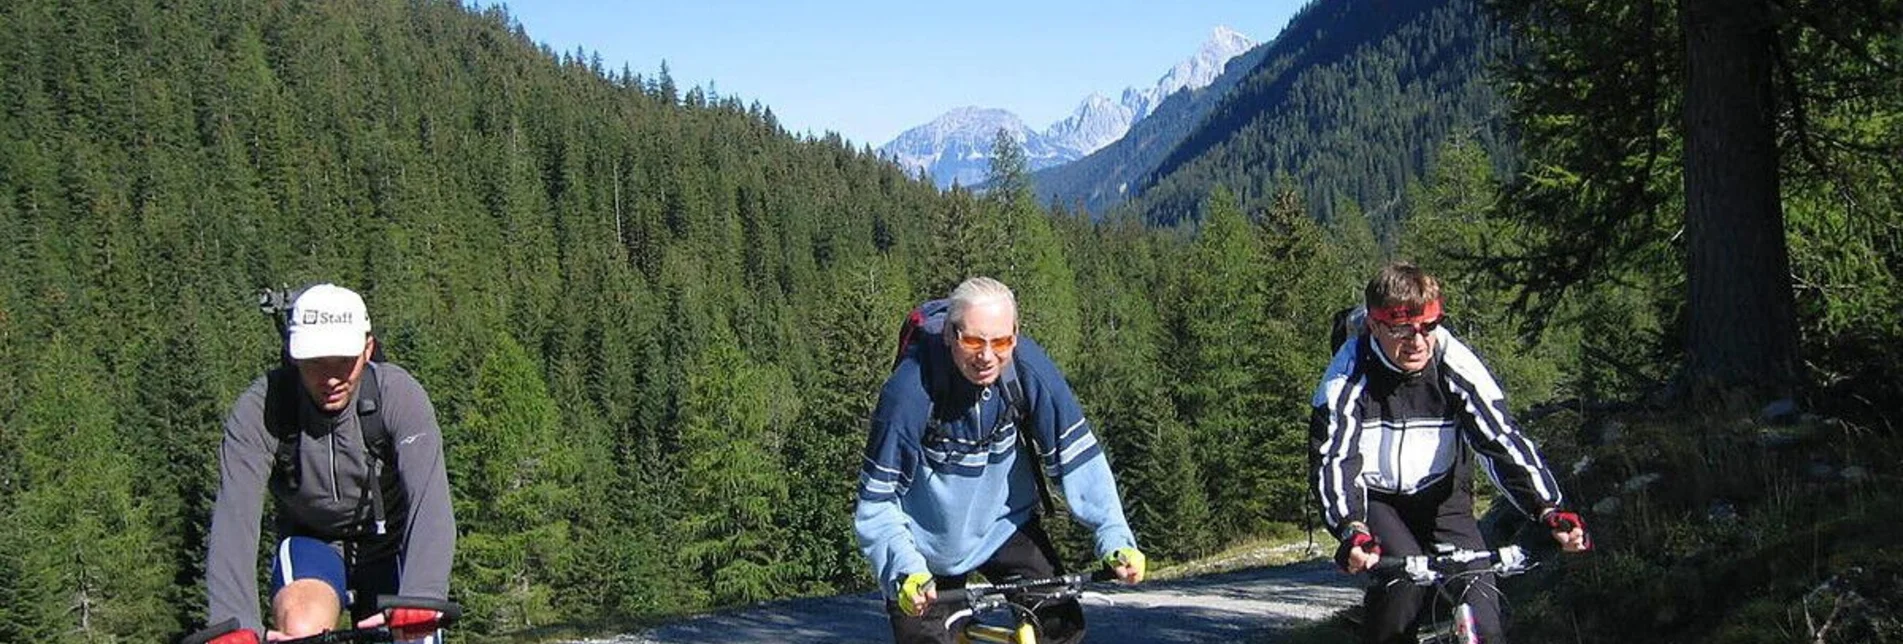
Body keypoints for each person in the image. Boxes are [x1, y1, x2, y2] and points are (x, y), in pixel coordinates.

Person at [1309, 262, 1590, 644]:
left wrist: (1549, 509)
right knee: (1402, 589)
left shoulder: (1454, 363)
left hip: (1444, 498)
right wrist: (1351, 529)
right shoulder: (1346, 377)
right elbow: (1334, 460)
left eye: (1428, 326)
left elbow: (1501, 439)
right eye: (1401, 329)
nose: (1418, 341)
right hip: (1377, 502)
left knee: (1486, 623)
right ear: (1374, 326)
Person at [855, 277, 1146, 644]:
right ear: (949, 334)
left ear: (1016, 334)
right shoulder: (908, 393)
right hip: (923, 548)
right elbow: (876, 505)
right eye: (974, 340)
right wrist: (904, 569)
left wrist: (1115, 537)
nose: (987, 356)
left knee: (1061, 626)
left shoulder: (1028, 370)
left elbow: (1078, 458)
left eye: (1002, 341)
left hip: (1005, 525)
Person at [199, 284, 455, 643]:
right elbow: (234, 517)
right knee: (302, 628)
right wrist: (235, 622)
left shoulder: (400, 396)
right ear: (294, 356)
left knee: (414, 634)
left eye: (343, 361)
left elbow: (430, 503)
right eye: (316, 362)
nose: (331, 377)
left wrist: (424, 594)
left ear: (367, 350)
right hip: (311, 540)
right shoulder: (261, 409)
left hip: (390, 542)